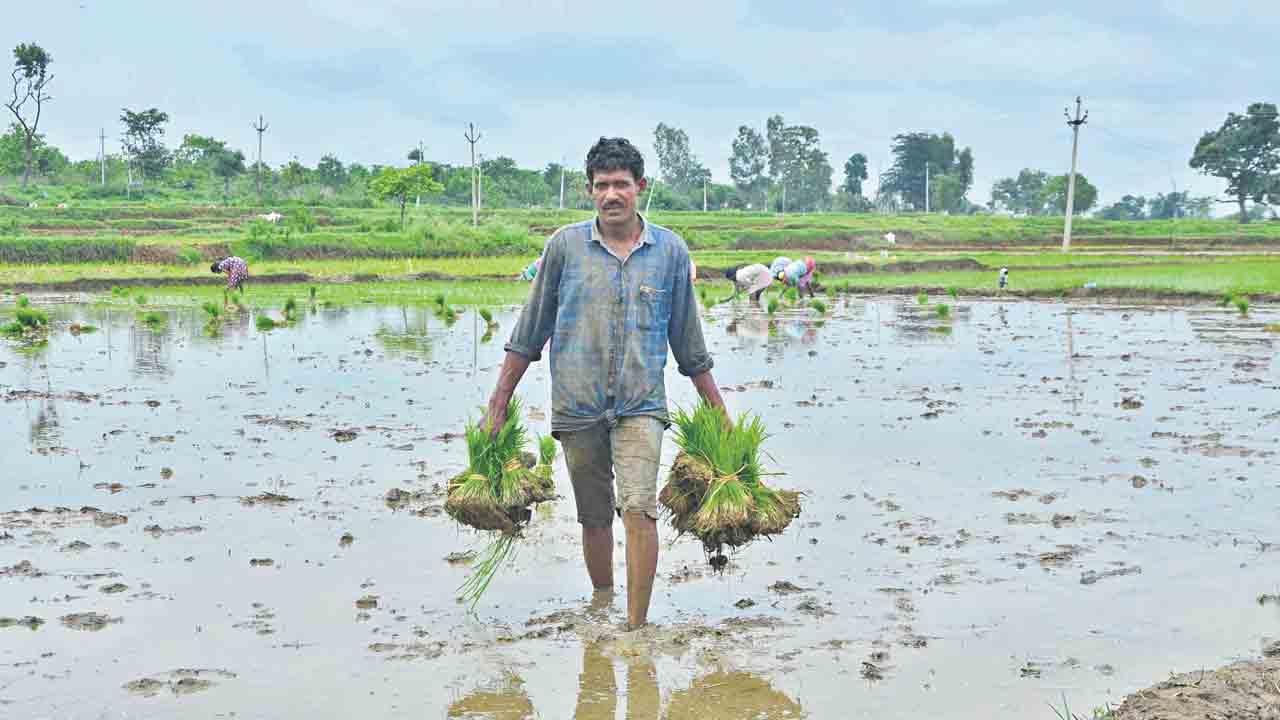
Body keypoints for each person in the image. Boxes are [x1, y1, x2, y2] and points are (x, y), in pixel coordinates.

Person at [487, 137, 726, 631]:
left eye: (621, 184)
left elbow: (689, 343)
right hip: (578, 404)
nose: (611, 194)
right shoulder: (564, 248)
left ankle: (635, 628)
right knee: (594, 516)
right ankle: (602, 606)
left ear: (640, 187)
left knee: (639, 507)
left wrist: (719, 412)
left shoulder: (670, 252)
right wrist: (497, 405)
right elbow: (529, 332)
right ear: (590, 191)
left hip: (641, 404)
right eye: (602, 186)